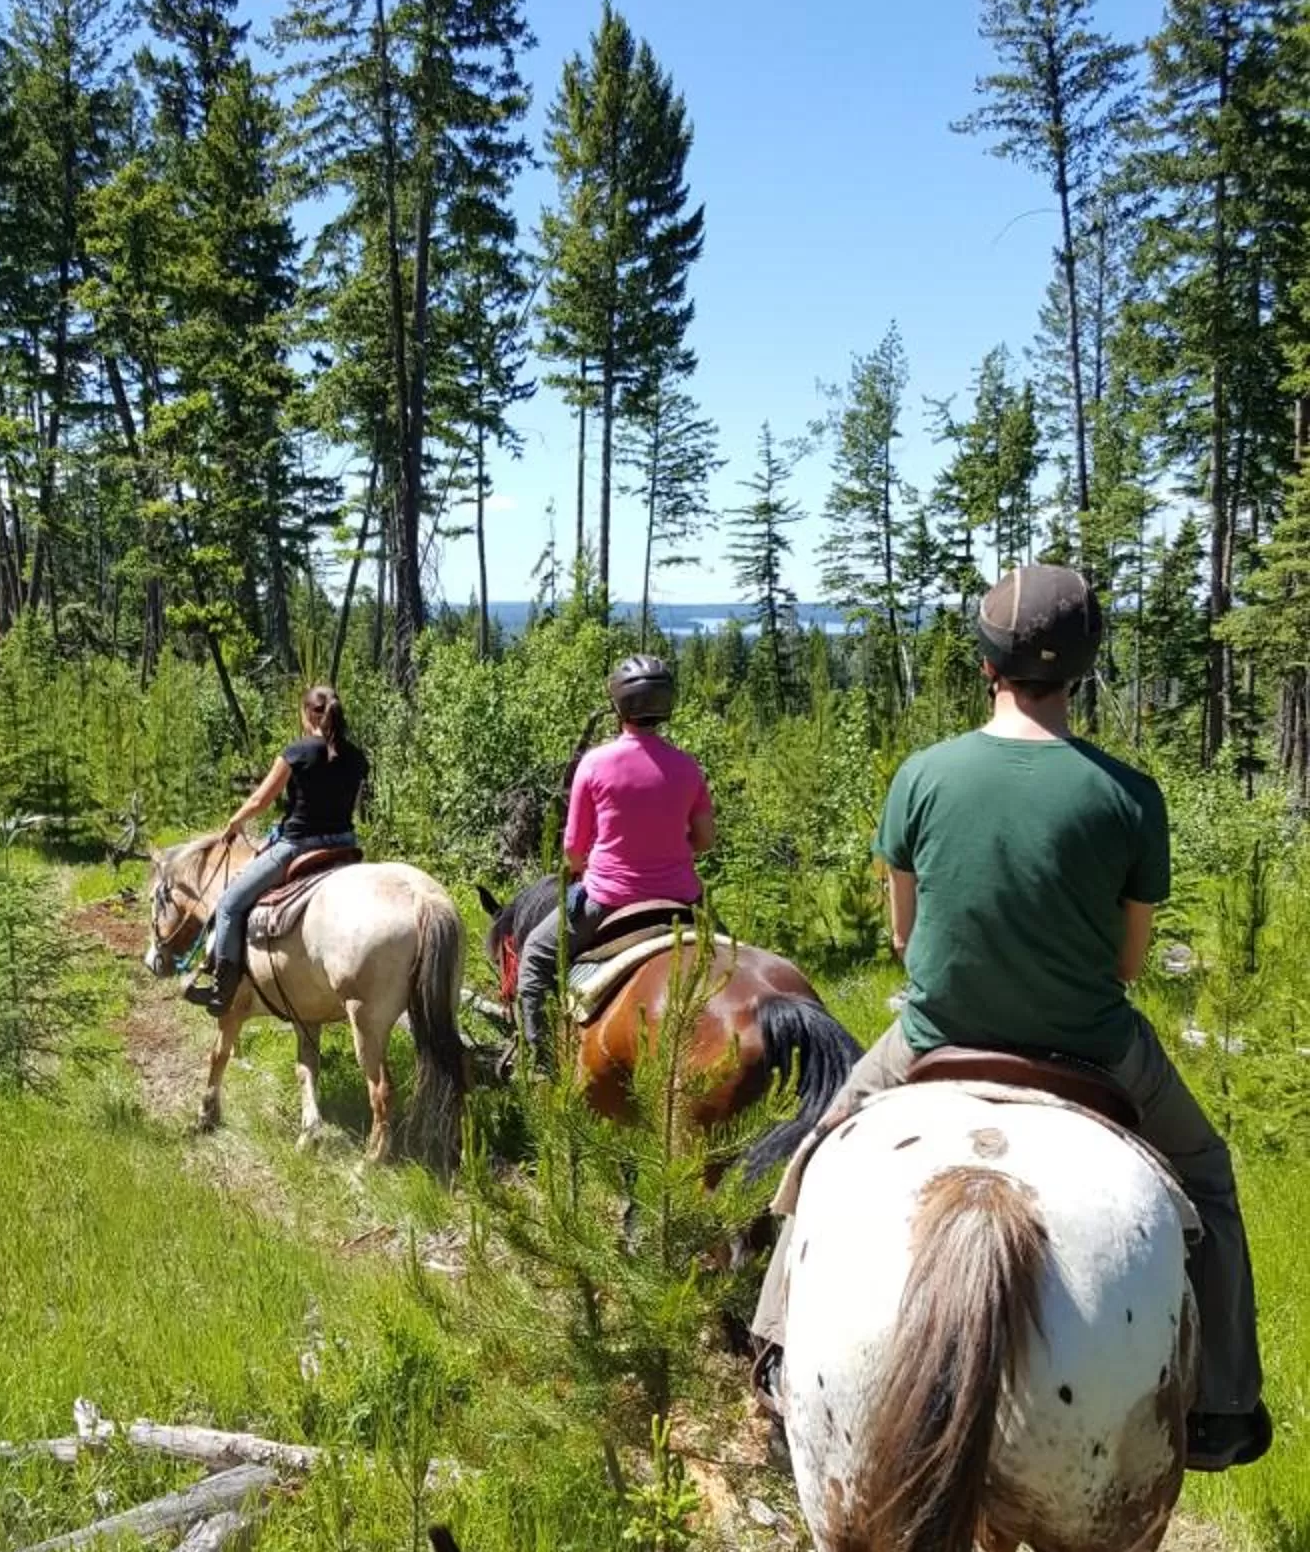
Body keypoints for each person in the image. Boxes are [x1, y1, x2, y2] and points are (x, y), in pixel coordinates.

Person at [750, 563, 1269, 1473]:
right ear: (1082, 672)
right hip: (1098, 1047)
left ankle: (778, 1345)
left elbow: (907, 941)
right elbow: (1129, 964)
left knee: (824, 1149)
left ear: (988, 666)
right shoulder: (1129, 794)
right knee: (1211, 1180)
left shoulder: (921, 775)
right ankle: (1224, 1402)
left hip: (934, 1036)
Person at [516, 654, 715, 1064]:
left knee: (534, 960)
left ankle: (541, 1066)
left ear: (618, 706)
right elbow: (705, 840)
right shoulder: (687, 767)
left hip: (607, 899)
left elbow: (573, 851)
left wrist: (589, 864)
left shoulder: (595, 763)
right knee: (735, 958)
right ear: (666, 706)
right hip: (684, 901)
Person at [184, 684, 368, 1016]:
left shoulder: (297, 752)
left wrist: (234, 823)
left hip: (296, 847)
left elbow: (260, 800)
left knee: (228, 904)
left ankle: (221, 991)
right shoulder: (357, 758)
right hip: (346, 846)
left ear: (307, 714)